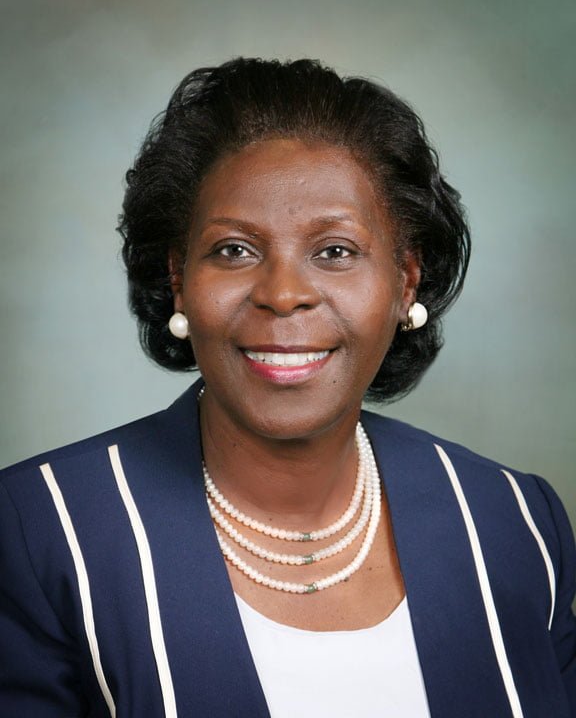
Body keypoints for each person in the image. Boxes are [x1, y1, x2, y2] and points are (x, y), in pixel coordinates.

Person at [0, 57, 574, 718]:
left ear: (406, 282)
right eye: (234, 250)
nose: (283, 295)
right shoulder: (44, 531)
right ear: (181, 280)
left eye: (335, 251)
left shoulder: (513, 521)